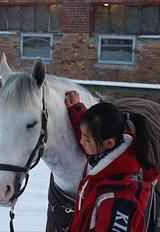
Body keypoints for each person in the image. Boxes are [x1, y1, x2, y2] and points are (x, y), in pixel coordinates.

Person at [65, 90, 159, 232]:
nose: (80, 141)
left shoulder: (119, 197)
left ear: (109, 143)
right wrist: (78, 112)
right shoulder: (113, 153)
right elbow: (93, 138)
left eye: (86, 138)